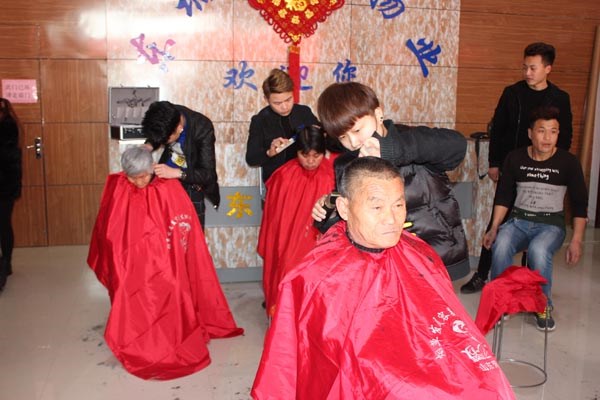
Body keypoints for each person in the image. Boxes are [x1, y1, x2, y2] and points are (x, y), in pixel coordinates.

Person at [252, 157, 515, 399]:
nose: (391, 219)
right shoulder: (314, 277)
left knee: (486, 384)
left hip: (426, 363)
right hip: (372, 381)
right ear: (344, 208)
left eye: (399, 205)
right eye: (377, 206)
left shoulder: (420, 253)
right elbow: (294, 365)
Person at [87, 146, 243, 380]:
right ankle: (134, 332)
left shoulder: (167, 187)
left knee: (168, 292)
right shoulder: (118, 187)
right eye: (133, 177)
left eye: (143, 176)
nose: (139, 182)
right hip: (131, 261)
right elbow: (108, 229)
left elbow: (183, 223)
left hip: (165, 259)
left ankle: (168, 332)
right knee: (131, 294)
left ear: (152, 169)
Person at [313, 82, 470, 280]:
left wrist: (391, 150)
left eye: (357, 130)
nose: (353, 142)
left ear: (378, 114)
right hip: (383, 266)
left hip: (435, 256)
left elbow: (457, 146)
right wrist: (328, 212)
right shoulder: (346, 164)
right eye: (343, 137)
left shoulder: (411, 139)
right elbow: (350, 224)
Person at [461, 42, 573, 294]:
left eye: (533, 68)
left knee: (534, 224)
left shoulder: (560, 98)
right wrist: (494, 162)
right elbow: (498, 130)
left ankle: (526, 282)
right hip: (512, 168)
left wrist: (557, 169)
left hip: (543, 173)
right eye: (525, 67)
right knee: (498, 222)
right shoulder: (512, 93)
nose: (527, 73)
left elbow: (565, 137)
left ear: (548, 68)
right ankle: (482, 274)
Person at [483, 106, 587, 332]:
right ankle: (501, 302)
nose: (547, 137)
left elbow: (580, 204)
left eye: (553, 131)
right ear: (530, 133)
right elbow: (503, 196)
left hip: (550, 225)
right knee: (501, 244)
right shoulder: (515, 158)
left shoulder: (568, 162)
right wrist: (494, 227)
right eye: (542, 131)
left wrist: (577, 240)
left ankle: (542, 306)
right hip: (518, 221)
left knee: (539, 250)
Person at [257, 125, 337, 317]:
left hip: (319, 243)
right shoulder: (283, 177)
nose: (310, 161)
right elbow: (274, 222)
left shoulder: (333, 176)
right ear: (296, 152)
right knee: (287, 275)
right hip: (288, 243)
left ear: (324, 152)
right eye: (304, 155)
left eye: (316, 155)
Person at [142, 100, 219, 228]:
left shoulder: (202, 127)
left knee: (191, 234)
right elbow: (159, 133)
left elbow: (208, 174)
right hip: (166, 184)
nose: (163, 143)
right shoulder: (168, 114)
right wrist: (147, 147)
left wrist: (176, 173)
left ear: (179, 128)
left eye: (166, 141)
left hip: (191, 184)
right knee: (164, 232)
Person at [245, 69, 319, 184]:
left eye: (288, 99)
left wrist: (318, 134)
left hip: (307, 176)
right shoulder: (260, 120)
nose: (284, 107)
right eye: (277, 103)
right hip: (278, 180)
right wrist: (269, 152)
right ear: (266, 99)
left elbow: (323, 140)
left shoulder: (304, 113)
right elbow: (251, 159)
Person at [0, 98, 22, 291]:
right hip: (7, 183)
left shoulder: (7, 126)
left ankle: (6, 262)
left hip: (5, 185)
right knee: (4, 224)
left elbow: (7, 155)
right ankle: (6, 263)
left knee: (4, 224)